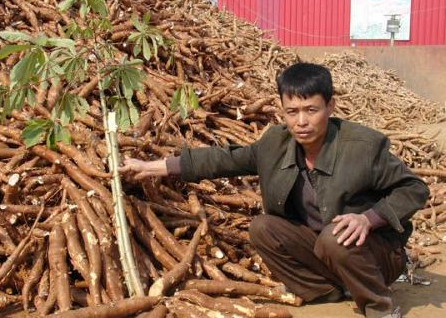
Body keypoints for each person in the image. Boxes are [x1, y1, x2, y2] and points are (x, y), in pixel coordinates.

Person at [119, 63, 429, 318]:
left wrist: (369, 218)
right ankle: (331, 291)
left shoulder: (363, 147)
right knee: (263, 228)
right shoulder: (275, 144)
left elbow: (414, 189)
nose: (302, 121)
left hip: (375, 256)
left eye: (311, 109)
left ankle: (381, 308)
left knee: (337, 235)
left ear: (330, 106)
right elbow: (225, 159)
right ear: (282, 109)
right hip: (325, 250)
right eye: (292, 111)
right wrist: (152, 167)